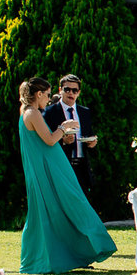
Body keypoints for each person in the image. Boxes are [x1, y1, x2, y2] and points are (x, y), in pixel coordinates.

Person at [17, 76, 114, 275]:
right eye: (46, 94)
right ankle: (71, 252)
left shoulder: (29, 112)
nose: (48, 99)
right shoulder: (32, 113)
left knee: (55, 210)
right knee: (64, 207)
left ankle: (70, 254)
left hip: (47, 166)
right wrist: (64, 127)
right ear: (39, 94)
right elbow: (50, 140)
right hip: (47, 168)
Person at [42, 73, 98, 202]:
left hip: (82, 166)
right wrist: (63, 141)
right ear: (60, 90)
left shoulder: (84, 112)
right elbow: (45, 141)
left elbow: (89, 135)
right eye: (67, 89)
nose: (71, 93)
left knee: (82, 203)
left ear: (78, 92)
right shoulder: (49, 112)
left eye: (74, 90)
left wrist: (92, 143)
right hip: (61, 165)